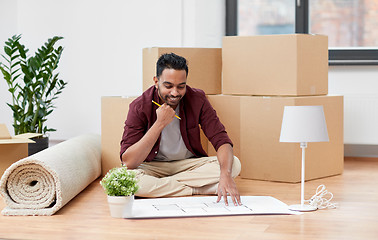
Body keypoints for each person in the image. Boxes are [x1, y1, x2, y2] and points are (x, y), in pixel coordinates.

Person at [120, 53, 241, 206]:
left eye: (181, 86)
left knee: (234, 164)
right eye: (168, 86)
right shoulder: (139, 106)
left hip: (188, 165)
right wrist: (159, 124)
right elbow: (128, 162)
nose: (175, 93)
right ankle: (197, 190)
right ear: (156, 81)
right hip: (153, 166)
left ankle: (164, 187)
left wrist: (225, 175)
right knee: (128, 179)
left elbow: (221, 139)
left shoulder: (197, 99)